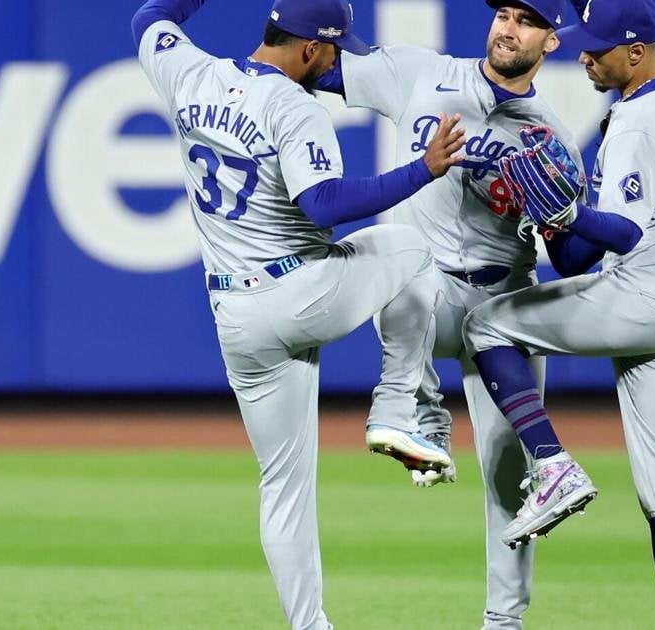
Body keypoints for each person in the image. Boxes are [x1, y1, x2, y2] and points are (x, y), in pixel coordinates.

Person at [131, 0, 468, 627]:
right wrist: (422, 170)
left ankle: (310, 626)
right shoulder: (293, 105)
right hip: (302, 289)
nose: (339, 62)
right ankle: (398, 407)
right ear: (310, 48)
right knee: (412, 245)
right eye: (336, 50)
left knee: (283, 489)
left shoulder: (190, 73)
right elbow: (322, 204)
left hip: (236, 315)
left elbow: (149, 18)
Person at [313, 2, 578, 627]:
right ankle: (420, 412)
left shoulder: (551, 135)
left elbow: (570, 255)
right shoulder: (420, 73)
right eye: (504, 13)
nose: (507, 28)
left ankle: (502, 622)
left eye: (527, 20)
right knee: (397, 260)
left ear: (552, 42)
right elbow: (315, 64)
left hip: (504, 300)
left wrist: (562, 217)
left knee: (511, 477)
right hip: (425, 292)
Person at [463, 0, 655, 628]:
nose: (582, 55)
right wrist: (558, 220)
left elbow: (625, 233)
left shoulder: (637, 123)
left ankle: (551, 465)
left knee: (485, 324)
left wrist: (567, 210)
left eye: (597, 48)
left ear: (635, 54)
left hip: (646, 293)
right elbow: (576, 261)